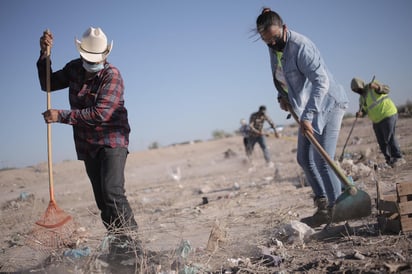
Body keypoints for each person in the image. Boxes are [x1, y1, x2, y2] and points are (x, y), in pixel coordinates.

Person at [37, 27, 140, 256]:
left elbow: (100, 114)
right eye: (88, 59)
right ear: (81, 54)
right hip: (87, 143)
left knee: (112, 191)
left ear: (105, 56)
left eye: (97, 60)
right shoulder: (74, 68)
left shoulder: (112, 75)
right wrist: (45, 55)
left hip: (112, 139)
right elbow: (48, 84)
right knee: (102, 200)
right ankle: (119, 248)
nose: (92, 64)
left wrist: (60, 116)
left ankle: (134, 247)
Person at [255, 8, 349, 224]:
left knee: (322, 160)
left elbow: (321, 82)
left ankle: (339, 214)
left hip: (328, 104)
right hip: (306, 108)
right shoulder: (273, 46)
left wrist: (307, 115)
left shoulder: (301, 46)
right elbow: (282, 76)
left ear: (284, 29)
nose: (271, 44)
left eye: (274, 39)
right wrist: (283, 96)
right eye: (266, 41)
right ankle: (324, 206)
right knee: (304, 159)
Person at [351, 77, 405, 167]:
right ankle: (389, 160)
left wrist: (377, 87)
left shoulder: (372, 86)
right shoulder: (361, 99)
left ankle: (398, 158)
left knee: (389, 137)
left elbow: (387, 89)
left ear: (361, 85)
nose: (357, 91)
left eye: (357, 89)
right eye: (355, 90)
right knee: (381, 141)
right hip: (376, 120)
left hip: (387, 114)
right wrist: (360, 114)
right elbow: (364, 111)